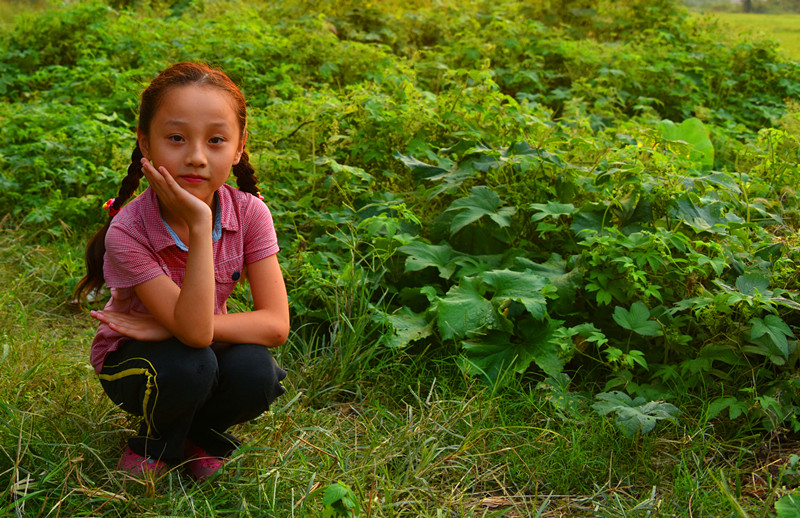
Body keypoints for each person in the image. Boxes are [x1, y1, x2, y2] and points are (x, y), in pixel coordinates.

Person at [74, 62, 290, 481]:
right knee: (190, 364)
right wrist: (197, 224)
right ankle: (155, 444)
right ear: (145, 143)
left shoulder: (250, 213)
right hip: (134, 363)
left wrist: (167, 327)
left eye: (215, 140)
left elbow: (276, 325)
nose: (195, 157)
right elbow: (193, 337)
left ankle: (201, 437)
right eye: (176, 138)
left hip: (196, 344)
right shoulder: (129, 230)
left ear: (240, 145)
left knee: (256, 372)